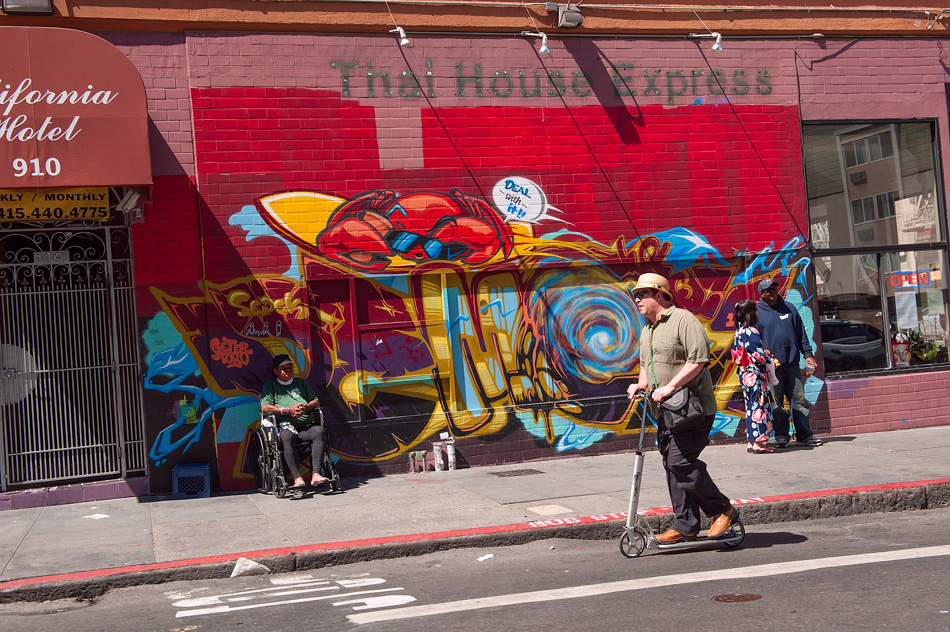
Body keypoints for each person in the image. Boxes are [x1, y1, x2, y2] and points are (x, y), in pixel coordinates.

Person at [626, 273, 737, 543]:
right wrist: (640, 385)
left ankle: (722, 509)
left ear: (661, 295)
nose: (637, 299)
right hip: (665, 412)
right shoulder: (647, 329)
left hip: (693, 410)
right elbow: (646, 365)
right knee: (671, 464)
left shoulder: (683, 320)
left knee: (679, 462)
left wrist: (670, 387)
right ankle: (686, 523)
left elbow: (698, 361)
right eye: (636, 295)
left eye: (643, 294)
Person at [756, 279, 822, 448]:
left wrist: (808, 355)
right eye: (768, 290)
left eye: (774, 288)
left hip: (792, 363)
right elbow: (754, 339)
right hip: (772, 367)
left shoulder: (789, 308)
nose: (773, 292)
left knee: (799, 400)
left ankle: (804, 436)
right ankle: (781, 436)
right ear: (761, 293)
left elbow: (801, 334)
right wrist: (763, 351)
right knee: (776, 403)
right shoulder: (757, 312)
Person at [260, 354, 329, 488]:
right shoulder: (271, 386)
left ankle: (316, 474)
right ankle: (297, 477)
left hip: (304, 426)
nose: (288, 370)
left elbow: (316, 400)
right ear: (276, 371)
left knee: (319, 431)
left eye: (290, 367)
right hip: (284, 426)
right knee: (287, 436)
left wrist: (306, 406)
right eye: (284, 368)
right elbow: (265, 407)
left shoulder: (301, 382)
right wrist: (287, 410)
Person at [731, 300, 776, 454]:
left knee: (750, 407)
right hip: (756, 374)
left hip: (744, 374)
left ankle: (751, 441)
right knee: (760, 406)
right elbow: (758, 354)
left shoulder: (739, 331)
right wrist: (769, 357)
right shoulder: (752, 331)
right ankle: (759, 442)